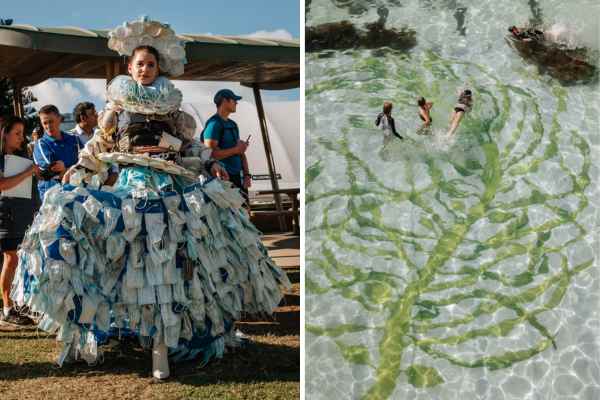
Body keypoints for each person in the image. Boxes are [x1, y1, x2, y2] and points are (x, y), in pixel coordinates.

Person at [11, 18, 290, 380]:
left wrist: (212, 166)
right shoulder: (116, 108)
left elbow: (190, 147)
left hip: (169, 188)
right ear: (129, 67)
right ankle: (88, 335)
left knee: (168, 264)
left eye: (151, 64)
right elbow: (100, 146)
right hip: (130, 185)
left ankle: (163, 345)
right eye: (139, 64)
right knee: (116, 250)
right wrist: (77, 169)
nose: (145, 69)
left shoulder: (173, 109)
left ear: (159, 69)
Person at [0, 117, 38, 327]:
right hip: (6, 215)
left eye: (22, 133)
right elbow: (3, 185)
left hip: (23, 213)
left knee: (17, 260)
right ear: (4, 133)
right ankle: (7, 308)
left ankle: (16, 303)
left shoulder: (21, 157)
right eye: (16, 133)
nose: (21, 138)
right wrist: (28, 172)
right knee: (11, 259)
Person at [202, 89, 251, 203]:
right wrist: (236, 149)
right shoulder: (213, 124)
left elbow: (241, 152)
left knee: (245, 213)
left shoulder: (233, 125)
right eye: (234, 100)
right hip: (223, 178)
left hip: (239, 178)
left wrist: (247, 175)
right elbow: (209, 155)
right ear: (225, 101)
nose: (236, 103)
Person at [32, 105, 81, 200]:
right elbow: (53, 172)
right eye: (45, 123)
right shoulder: (40, 145)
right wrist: (78, 170)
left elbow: (87, 163)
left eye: (51, 121)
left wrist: (65, 170)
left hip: (77, 193)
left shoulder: (74, 139)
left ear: (59, 119)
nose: (48, 126)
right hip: (54, 199)